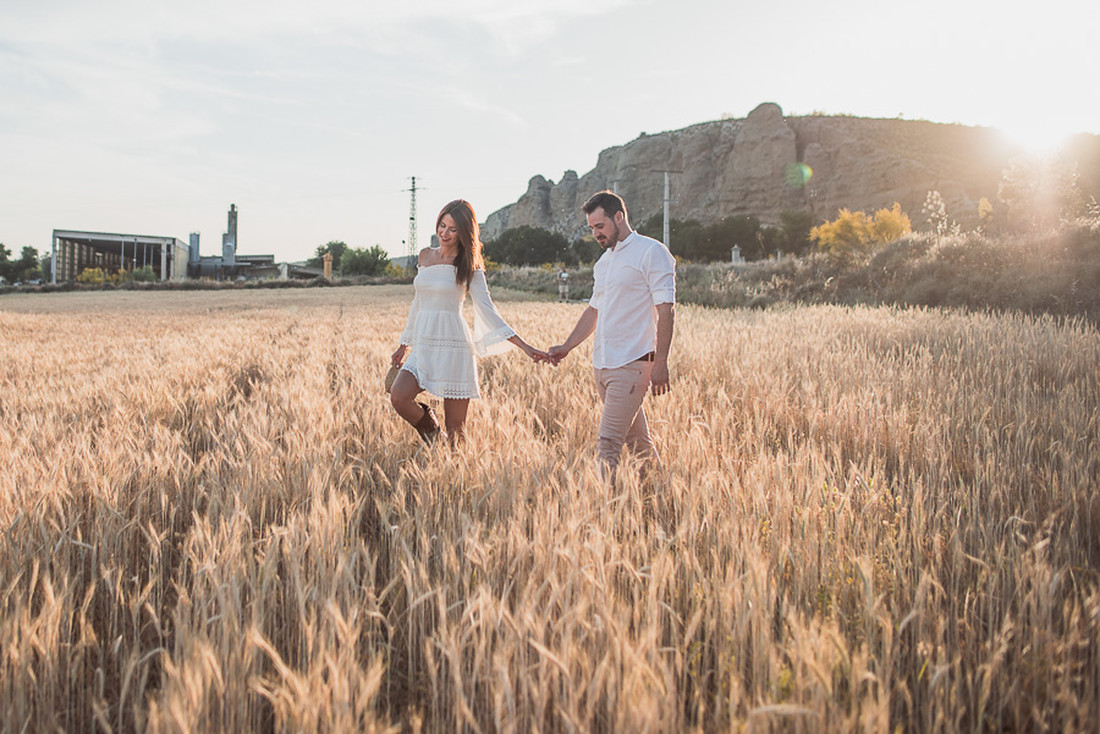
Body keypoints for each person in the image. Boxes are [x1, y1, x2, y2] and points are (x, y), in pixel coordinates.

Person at [390, 199, 548, 445]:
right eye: (442, 225)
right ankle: (435, 436)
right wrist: (404, 344)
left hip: (454, 349)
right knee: (399, 397)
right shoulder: (425, 255)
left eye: (453, 229)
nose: (444, 233)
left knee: (456, 431)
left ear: (464, 233)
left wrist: (526, 347)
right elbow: (418, 303)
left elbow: (489, 310)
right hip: (423, 346)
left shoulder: (469, 266)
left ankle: (454, 472)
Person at [548, 190, 676, 475]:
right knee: (639, 444)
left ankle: (602, 512)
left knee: (607, 446)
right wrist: (567, 346)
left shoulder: (651, 252)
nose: (596, 234)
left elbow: (666, 310)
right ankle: (661, 495)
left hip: (632, 364)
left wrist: (662, 362)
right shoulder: (603, 263)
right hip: (602, 366)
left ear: (619, 217)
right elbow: (594, 311)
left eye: (600, 226)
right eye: (592, 228)